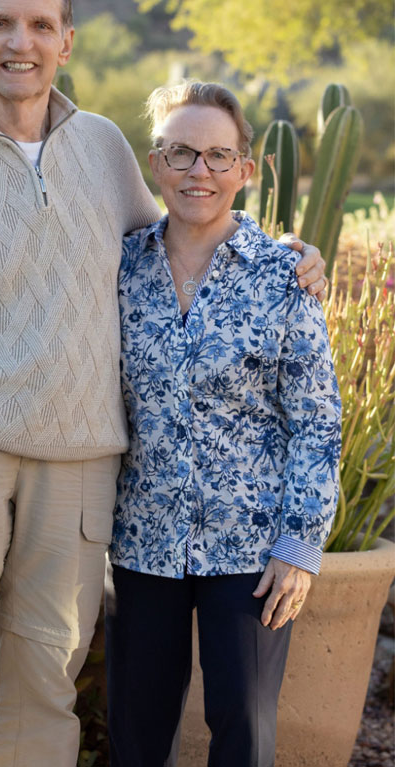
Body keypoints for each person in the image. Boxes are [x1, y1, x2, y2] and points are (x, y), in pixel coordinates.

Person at [0, 0, 327, 767]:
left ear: (67, 41)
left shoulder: (100, 148)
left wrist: (284, 253)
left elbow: (181, 236)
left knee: (45, 699)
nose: (18, 41)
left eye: (38, 25)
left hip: (82, 472)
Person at [105, 80, 341, 767]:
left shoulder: (283, 276)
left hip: (253, 550)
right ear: (157, 164)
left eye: (217, 155)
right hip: (144, 539)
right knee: (137, 729)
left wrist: (300, 542)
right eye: (181, 154)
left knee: (242, 725)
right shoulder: (120, 268)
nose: (198, 172)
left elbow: (317, 422)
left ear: (246, 169)